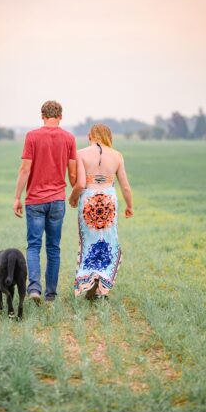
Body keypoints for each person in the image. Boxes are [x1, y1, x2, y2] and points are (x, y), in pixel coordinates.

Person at [14, 100, 78, 305]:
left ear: (42, 115)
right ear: (60, 116)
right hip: (58, 200)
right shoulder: (69, 138)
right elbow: (73, 173)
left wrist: (17, 197)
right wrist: (75, 194)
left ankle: (34, 289)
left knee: (33, 246)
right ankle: (50, 296)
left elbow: (25, 169)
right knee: (53, 248)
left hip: (35, 201)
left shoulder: (32, 136)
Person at [68, 123, 133, 300]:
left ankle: (88, 279)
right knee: (109, 241)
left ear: (91, 136)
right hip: (109, 202)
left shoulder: (80, 154)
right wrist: (130, 206)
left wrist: (73, 198)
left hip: (89, 200)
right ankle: (101, 285)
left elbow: (80, 183)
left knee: (89, 242)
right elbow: (125, 186)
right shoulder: (117, 155)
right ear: (108, 137)